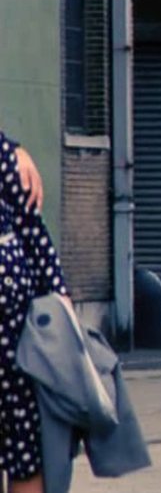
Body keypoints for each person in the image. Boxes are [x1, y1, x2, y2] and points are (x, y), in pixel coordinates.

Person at [0, 130, 70, 493]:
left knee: (25, 452)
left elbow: (35, 236)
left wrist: (62, 305)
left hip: (17, 342)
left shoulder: (7, 161)